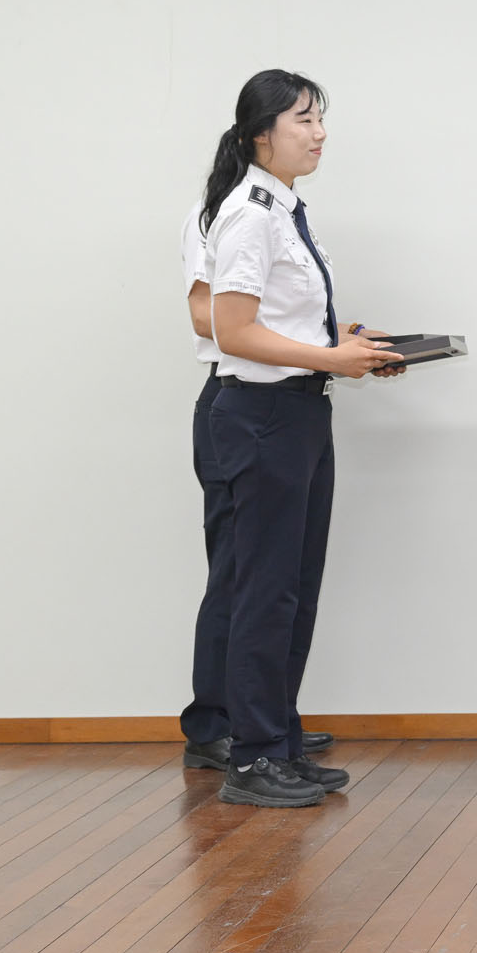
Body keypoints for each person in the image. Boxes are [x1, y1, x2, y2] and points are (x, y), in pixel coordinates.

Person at [200, 69, 406, 807]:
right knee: (265, 591)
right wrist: (330, 359)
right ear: (261, 134)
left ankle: (278, 741)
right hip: (261, 417)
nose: (319, 134)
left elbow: (277, 320)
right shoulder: (250, 214)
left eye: (320, 119)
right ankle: (253, 758)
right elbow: (231, 330)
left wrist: (344, 346)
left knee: (293, 588)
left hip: (299, 414)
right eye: (303, 120)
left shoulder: (283, 209)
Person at [181, 202, 336, 773]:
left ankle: (266, 720)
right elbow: (210, 320)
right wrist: (314, 349)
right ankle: (218, 726)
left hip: (280, 391)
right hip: (240, 394)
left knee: (277, 577)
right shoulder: (227, 214)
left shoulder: (282, 215)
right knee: (240, 574)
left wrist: (332, 344)